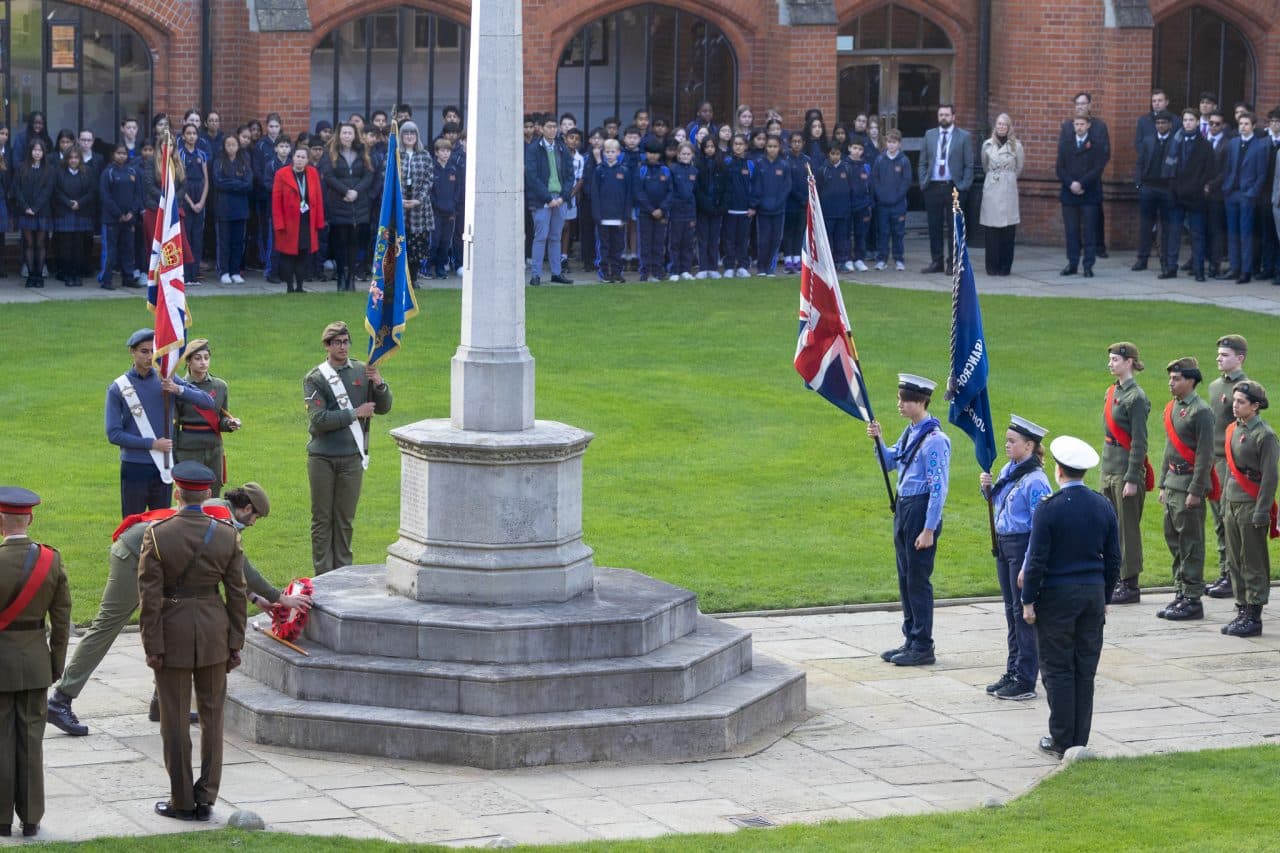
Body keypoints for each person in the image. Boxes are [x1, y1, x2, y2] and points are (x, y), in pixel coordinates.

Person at [46, 480, 307, 736]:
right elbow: (243, 568)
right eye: (255, 518)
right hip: (134, 556)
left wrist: (255, 599)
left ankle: (163, 703)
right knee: (106, 628)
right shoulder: (222, 518)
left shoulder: (220, 511)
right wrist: (279, 597)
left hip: (158, 561)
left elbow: (223, 563)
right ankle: (61, 700)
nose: (252, 524)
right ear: (247, 509)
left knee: (171, 623)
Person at [139, 462, 246, 822]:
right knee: (213, 718)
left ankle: (182, 799)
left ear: (177, 493)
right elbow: (237, 593)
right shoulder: (227, 534)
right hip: (215, 632)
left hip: (172, 634)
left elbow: (149, 597)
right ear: (207, 494)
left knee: (174, 719)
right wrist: (235, 642)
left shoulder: (158, 535)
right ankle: (207, 795)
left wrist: (152, 645)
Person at [1021, 436, 1120, 760]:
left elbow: (1036, 560)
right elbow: (1114, 558)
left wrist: (1028, 600)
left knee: (1057, 668)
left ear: (1059, 471)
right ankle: (1080, 738)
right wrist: (1105, 596)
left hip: (1057, 598)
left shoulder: (1049, 508)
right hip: (1092, 595)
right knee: (1084, 668)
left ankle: (1062, 738)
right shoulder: (1102, 505)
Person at [0, 487, 71, 838]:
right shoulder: (51, 560)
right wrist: (55, 664)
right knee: (31, 740)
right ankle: (30, 819)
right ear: (30, 519)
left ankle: (1, 819)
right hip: (35, 664)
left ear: (0, 523)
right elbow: (61, 621)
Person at [867, 374, 951, 667]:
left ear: (921, 402)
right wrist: (879, 439)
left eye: (905, 400)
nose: (900, 404)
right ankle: (911, 638)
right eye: (899, 399)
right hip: (904, 507)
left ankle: (923, 644)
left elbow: (938, 489)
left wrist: (929, 529)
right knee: (905, 578)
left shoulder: (935, 440)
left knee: (917, 579)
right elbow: (890, 462)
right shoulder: (910, 433)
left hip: (920, 510)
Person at [304, 322, 393, 574]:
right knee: (322, 520)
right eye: (337, 342)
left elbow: (384, 407)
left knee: (345, 520)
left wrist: (379, 384)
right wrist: (355, 413)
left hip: (352, 457)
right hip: (322, 458)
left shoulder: (363, 371)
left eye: (346, 342)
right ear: (327, 345)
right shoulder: (316, 378)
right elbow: (319, 419)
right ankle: (323, 574)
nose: (343, 347)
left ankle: (343, 572)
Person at [105, 329, 216, 517]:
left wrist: (178, 389)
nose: (150, 357)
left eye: (153, 351)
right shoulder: (118, 388)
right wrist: (152, 444)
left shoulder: (167, 378)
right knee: (133, 521)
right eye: (144, 351)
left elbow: (208, 402)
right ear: (132, 352)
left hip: (163, 465)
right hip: (134, 466)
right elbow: (114, 434)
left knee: (162, 521)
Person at [980, 415, 1051, 701]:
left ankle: (1025, 678)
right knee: (1011, 612)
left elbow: (1040, 526)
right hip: (1004, 546)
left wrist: (1029, 565)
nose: (1007, 445)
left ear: (1029, 446)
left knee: (1023, 614)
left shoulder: (1036, 481)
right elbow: (999, 502)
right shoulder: (1009, 469)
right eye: (1007, 440)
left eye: (1012, 441)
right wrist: (986, 488)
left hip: (1022, 547)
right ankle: (1013, 670)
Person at [1153, 357, 1215, 623]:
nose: (1171, 383)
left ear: (1191, 380)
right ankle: (1180, 590)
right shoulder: (1173, 407)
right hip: (1173, 483)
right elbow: (1170, 449)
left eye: (1176, 379)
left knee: (1190, 543)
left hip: (1189, 484)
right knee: (1174, 539)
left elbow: (1205, 455)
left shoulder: (1201, 412)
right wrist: (1163, 483)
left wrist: (1196, 490)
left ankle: (1192, 598)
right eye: (1170, 378)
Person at [1220, 381, 1278, 637]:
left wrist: (1262, 511)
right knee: (1234, 559)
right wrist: (1224, 502)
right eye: (1234, 400)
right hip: (1233, 501)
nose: (1235, 405)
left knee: (1253, 560)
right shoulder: (1233, 429)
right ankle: (1242, 608)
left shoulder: (1264, 435)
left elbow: (1270, 477)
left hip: (1251, 503)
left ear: (1255, 406)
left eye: (1241, 402)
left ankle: (1254, 615)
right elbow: (1230, 470)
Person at [1101, 342, 1151, 604]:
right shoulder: (1112, 392)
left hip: (1125, 470)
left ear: (1129, 361)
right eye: (1110, 359)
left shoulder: (1136, 398)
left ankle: (1130, 584)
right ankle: (1115, 577)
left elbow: (1140, 442)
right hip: (1110, 466)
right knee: (1110, 526)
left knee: (1127, 530)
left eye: (1115, 360)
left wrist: (1132, 478)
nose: (1110, 364)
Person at [1206, 335, 1250, 599]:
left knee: (1229, 519)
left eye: (1225, 355)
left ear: (1240, 358)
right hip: (1213, 460)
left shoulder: (1246, 389)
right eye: (1219, 354)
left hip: (1230, 462)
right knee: (1218, 520)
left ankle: (1234, 575)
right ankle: (1225, 572)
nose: (1219, 358)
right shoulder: (1215, 386)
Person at [173, 340, 241, 494]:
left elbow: (221, 418)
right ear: (188, 361)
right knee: (189, 493)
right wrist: (173, 455)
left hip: (214, 448)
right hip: (188, 448)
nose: (203, 362)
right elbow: (174, 425)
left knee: (213, 492)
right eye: (198, 358)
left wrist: (229, 424)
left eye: (206, 357)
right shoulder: (179, 387)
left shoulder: (220, 386)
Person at [917, 105, 974, 274]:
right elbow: (922, 162)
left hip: (954, 187)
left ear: (953, 117)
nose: (944, 117)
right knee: (934, 226)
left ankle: (953, 263)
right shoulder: (929, 135)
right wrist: (923, 181)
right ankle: (937, 261)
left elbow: (969, 164)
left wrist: (964, 186)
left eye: (947, 115)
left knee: (954, 228)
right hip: (933, 186)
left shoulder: (964, 136)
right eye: (941, 114)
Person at [320, 123, 374, 292]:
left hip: (359, 206)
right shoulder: (330, 153)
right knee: (340, 243)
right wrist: (346, 191)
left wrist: (356, 191)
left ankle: (351, 278)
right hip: (339, 203)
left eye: (350, 133)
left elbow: (369, 175)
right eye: (344, 133)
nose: (347, 136)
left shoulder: (362, 152)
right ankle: (341, 277)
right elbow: (328, 176)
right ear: (339, 134)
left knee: (354, 243)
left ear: (354, 135)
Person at [525, 113, 574, 286]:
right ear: (541, 128)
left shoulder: (562, 147)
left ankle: (556, 273)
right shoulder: (533, 148)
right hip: (541, 200)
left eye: (555, 127)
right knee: (540, 236)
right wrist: (547, 198)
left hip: (559, 199)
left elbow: (570, 175)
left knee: (555, 237)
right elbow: (532, 177)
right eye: (549, 127)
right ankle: (536, 275)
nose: (553, 130)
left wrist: (562, 197)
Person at [1219, 112, 1267, 284]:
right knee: (1232, 233)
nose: (1243, 127)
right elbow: (1227, 168)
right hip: (1231, 193)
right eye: (1241, 124)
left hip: (1247, 194)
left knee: (1245, 234)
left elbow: (1262, 174)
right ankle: (1234, 267)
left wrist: (1252, 192)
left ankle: (1246, 271)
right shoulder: (1233, 143)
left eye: (1246, 124)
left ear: (1253, 126)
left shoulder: (1260, 146)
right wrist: (1226, 187)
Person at [272, 146, 326, 294]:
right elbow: (276, 201)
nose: (300, 160)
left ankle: (300, 286)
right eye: (297, 156)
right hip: (288, 222)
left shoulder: (313, 173)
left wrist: (319, 221)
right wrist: (279, 223)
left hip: (307, 220)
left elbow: (318, 198)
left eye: (303, 157)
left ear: (307, 160)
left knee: (303, 254)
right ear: (293, 157)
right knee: (288, 255)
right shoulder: (281, 174)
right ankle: (290, 286)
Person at [1056, 115, 1104, 277]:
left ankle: (1088, 265)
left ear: (1088, 125)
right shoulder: (1065, 144)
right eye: (1076, 124)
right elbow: (1060, 168)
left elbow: (1097, 169)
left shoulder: (1096, 145)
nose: (1079, 127)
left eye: (1082, 124)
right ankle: (1072, 263)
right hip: (1069, 193)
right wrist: (1071, 184)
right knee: (1071, 231)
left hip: (1089, 193)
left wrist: (1081, 184)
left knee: (1089, 231)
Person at [1169, 109, 1214, 282]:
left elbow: (1208, 171)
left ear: (1197, 122)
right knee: (1174, 232)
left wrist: (1197, 187)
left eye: (1191, 120)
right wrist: (1174, 187)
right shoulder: (1176, 141)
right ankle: (1171, 267)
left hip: (1196, 195)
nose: (1187, 123)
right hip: (1177, 194)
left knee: (1197, 235)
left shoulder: (1205, 145)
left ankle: (1198, 269)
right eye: (1185, 120)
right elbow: (1170, 168)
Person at [1132, 110, 1177, 275]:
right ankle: (1142, 258)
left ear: (1170, 125)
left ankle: (1165, 260)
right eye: (1158, 123)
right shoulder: (1148, 140)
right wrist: (1139, 185)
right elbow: (1140, 163)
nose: (1160, 126)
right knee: (1146, 225)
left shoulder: (1175, 142)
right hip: (1148, 187)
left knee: (1167, 227)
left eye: (1163, 123)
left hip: (1166, 189)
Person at [979, 114, 1024, 276]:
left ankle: (1005, 267)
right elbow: (985, 166)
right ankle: (991, 266)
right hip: (992, 187)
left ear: (1009, 127)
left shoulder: (1016, 146)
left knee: (1008, 229)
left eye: (1005, 124)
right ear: (995, 126)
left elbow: (1019, 168)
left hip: (1008, 188)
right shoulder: (987, 145)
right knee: (991, 230)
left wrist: (1008, 178)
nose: (1001, 126)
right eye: (999, 123)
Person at [211, 134, 253, 284]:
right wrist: (237, 183)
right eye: (228, 145)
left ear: (238, 146)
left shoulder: (244, 162)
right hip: (224, 208)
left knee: (238, 242)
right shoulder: (219, 162)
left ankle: (235, 271)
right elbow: (218, 182)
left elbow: (248, 184)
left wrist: (231, 183)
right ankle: (224, 271)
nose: (231, 147)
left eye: (233, 144)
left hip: (240, 209)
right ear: (224, 146)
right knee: (224, 242)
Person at [52, 148, 96, 288]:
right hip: (64, 212)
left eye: (76, 157)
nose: (73, 160)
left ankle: (77, 275)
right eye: (70, 157)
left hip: (82, 212)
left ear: (80, 159)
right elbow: (55, 191)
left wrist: (79, 203)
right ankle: (68, 274)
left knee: (79, 246)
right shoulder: (58, 172)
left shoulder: (88, 171)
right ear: (66, 159)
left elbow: (92, 191)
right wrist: (68, 203)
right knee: (65, 246)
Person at [13, 139, 54, 289]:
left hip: (42, 211)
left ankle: (39, 275)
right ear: (30, 151)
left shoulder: (49, 169)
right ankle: (31, 276)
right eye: (35, 150)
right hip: (26, 212)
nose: (37, 153)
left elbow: (48, 190)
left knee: (40, 244)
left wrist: (35, 208)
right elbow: (16, 188)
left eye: (40, 150)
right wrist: (25, 207)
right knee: (29, 243)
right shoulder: (21, 168)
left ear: (44, 152)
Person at [633, 139, 672, 282]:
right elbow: (638, 192)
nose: (652, 156)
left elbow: (671, 192)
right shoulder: (641, 169)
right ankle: (644, 272)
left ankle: (658, 270)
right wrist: (651, 210)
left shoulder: (665, 170)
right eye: (650, 152)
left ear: (659, 154)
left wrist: (662, 209)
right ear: (645, 153)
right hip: (645, 213)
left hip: (662, 213)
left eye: (655, 153)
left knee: (659, 243)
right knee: (645, 243)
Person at [871, 129, 910, 271]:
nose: (891, 145)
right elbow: (875, 179)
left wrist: (896, 197)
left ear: (899, 144)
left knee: (898, 233)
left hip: (898, 205)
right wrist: (880, 195)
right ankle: (882, 259)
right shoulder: (880, 159)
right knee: (883, 232)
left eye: (894, 142)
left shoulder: (904, 160)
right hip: (883, 204)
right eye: (889, 142)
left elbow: (906, 181)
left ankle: (899, 259)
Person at [592, 139, 631, 283]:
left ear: (618, 153)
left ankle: (616, 272)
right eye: (607, 152)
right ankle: (604, 273)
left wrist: (625, 216)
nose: (610, 154)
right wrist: (597, 215)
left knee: (618, 246)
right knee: (604, 246)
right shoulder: (599, 170)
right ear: (603, 153)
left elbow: (628, 195)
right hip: (603, 217)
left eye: (613, 151)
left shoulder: (624, 171)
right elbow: (595, 194)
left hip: (618, 217)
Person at [749, 135, 787, 277]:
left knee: (776, 239)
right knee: (763, 239)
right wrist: (757, 204)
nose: (772, 149)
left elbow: (786, 187)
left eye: (775, 146)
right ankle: (761, 268)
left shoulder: (784, 165)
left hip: (779, 210)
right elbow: (756, 185)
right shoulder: (759, 164)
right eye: (770, 146)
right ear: (766, 147)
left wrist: (778, 203)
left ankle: (771, 268)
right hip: (763, 210)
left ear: (779, 147)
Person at [178, 124, 209, 284]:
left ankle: (195, 273)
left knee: (197, 238)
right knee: (186, 237)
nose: (191, 136)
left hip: (199, 195)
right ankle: (186, 274)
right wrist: (190, 203)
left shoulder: (201, 155)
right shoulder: (180, 154)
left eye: (194, 133)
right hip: (186, 196)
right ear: (183, 136)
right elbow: (180, 180)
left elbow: (206, 180)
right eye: (188, 133)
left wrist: (202, 201)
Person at [429, 138, 463, 280]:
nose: (445, 154)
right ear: (436, 152)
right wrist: (435, 204)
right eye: (442, 151)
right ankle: (428, 266)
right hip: (436, 212)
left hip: (450, 212)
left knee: (445, 242)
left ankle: (441, 268)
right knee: (434, 241)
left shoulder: (454, 168)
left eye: (448, 151)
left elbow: (458, 189)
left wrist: (453, 203)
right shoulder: (431, 168)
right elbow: (429, 190)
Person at [694, 134, 727, 279]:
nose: (709, 149)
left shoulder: (721, 165)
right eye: (706, 147)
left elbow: (726, 187)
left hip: (717, 207)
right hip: (703, 208)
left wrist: (721, 206)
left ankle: (713, 267)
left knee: (714, 238)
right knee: (703, 238)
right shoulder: (698, 164)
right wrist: (705, 204)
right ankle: (703, 267)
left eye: (712, 146)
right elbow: (697, 188)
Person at [667, 141, 698, 281]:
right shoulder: (673, 170)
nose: (685, 156)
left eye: (688, 154)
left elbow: (695, 192)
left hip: (690, 212)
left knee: (688, 243)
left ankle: (686, 270)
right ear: (678, 155)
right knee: (675, 242)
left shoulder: (695, 171)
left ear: (692, 155)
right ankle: (674, 270)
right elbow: (670, 191)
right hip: (676, 212)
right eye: (683, 154)